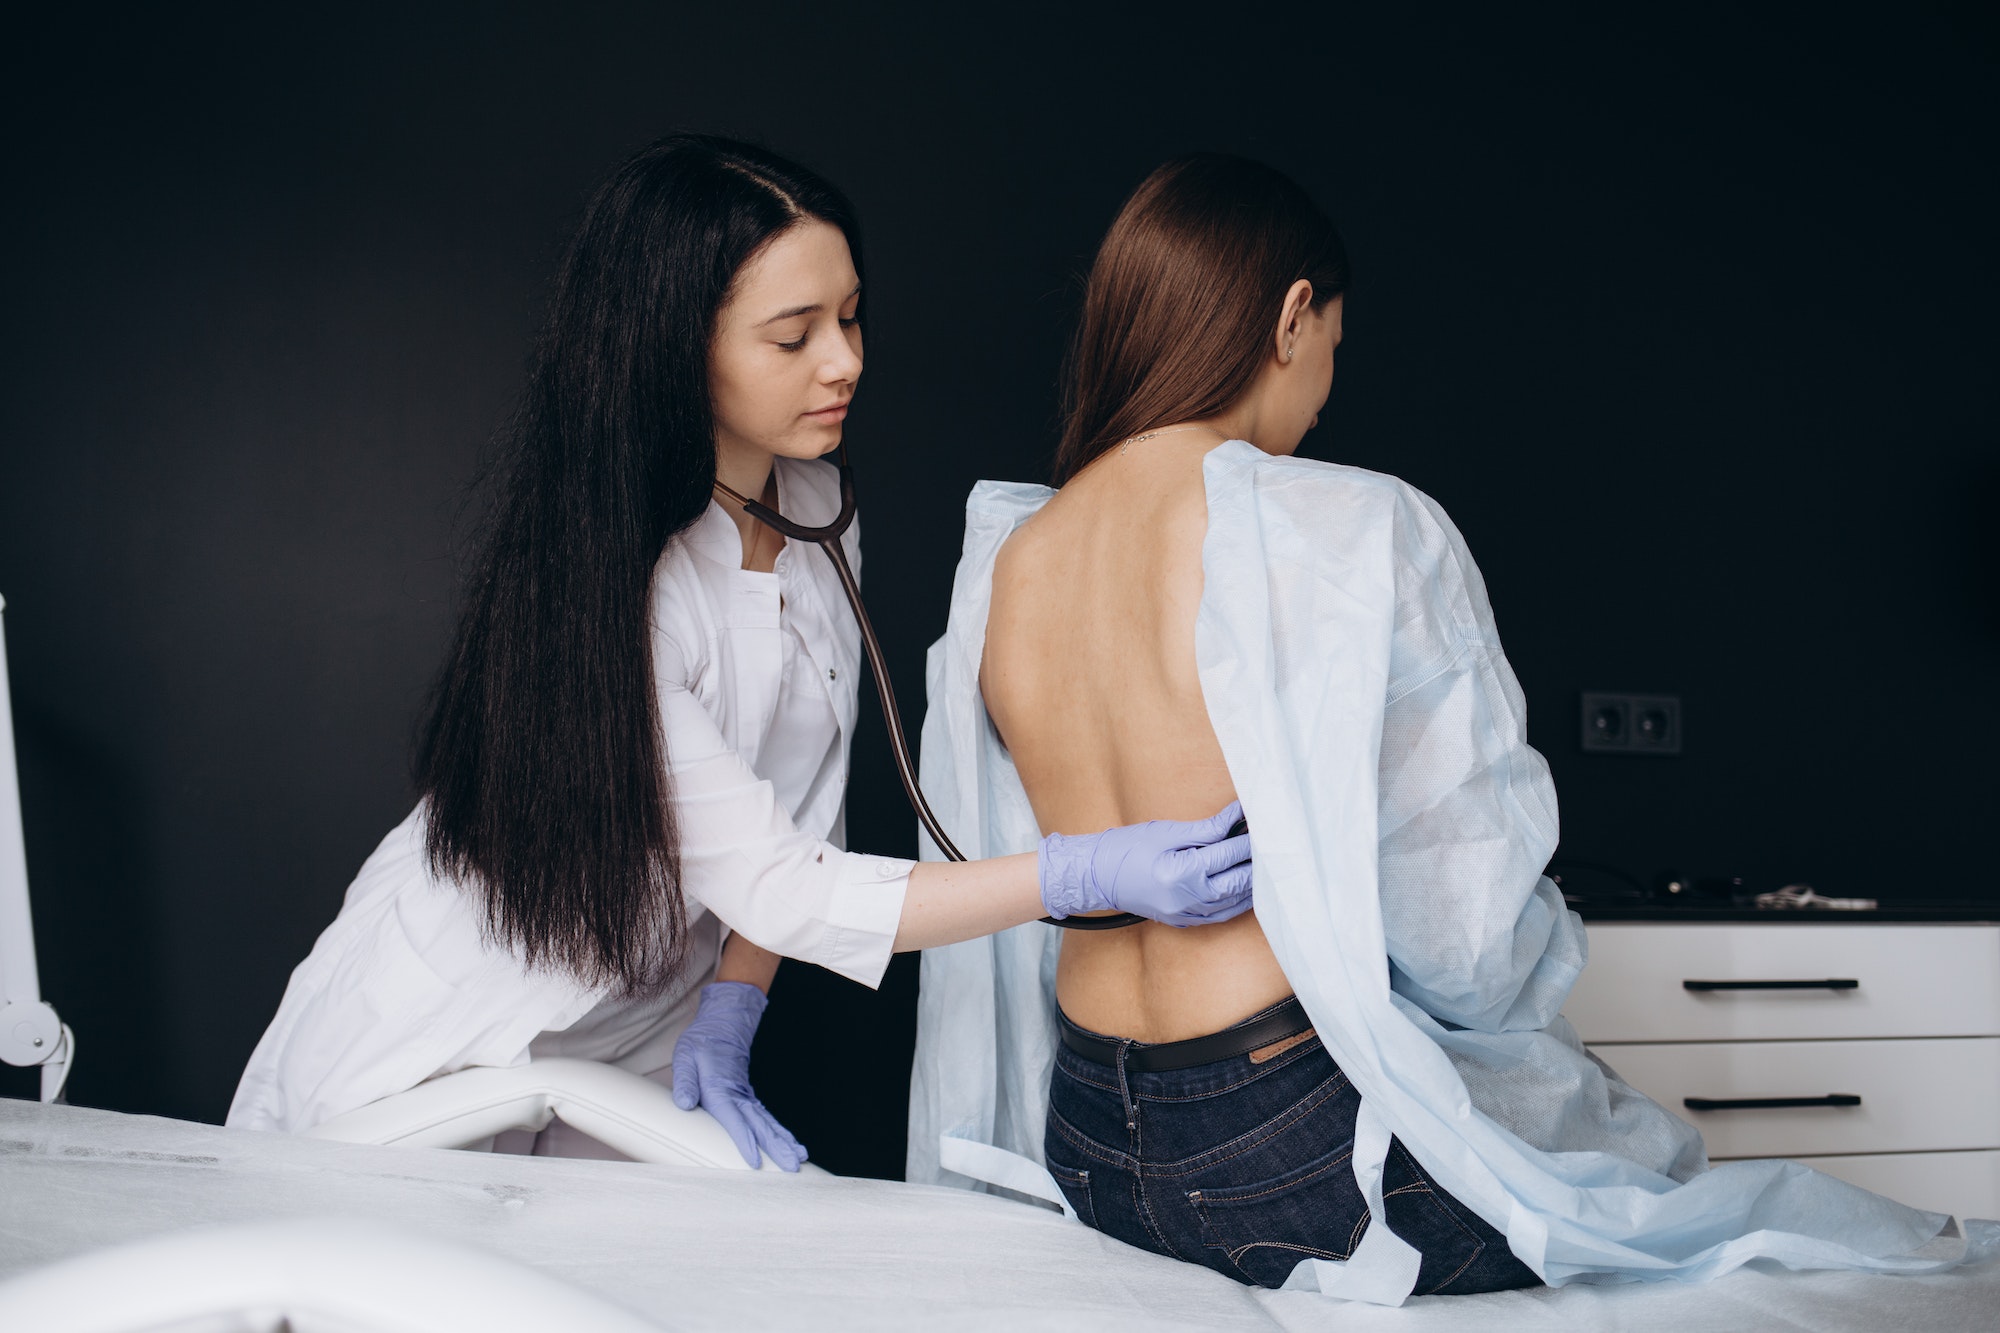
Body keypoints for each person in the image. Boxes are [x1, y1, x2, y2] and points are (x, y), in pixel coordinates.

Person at [909, 153, 1985, 1300]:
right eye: (1333, 344)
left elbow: (1007, 881)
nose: (1325, 386)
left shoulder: (1011, 560)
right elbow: (1471, 942)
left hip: (1087, 1133)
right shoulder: (1349, 525)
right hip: (1284, 1150)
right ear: (1291, 317)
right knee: (1703, 1205)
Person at [228, 136, 1253, 1171]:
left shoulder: (816, 511)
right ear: (675, 349)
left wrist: (734, 997)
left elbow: (796, 804)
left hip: (636, 1034)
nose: (844, 361)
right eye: (792, 336)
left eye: (849, 317)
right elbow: (786, 881)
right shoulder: (621, 587)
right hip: (445, 1034)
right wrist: (1070, 874)